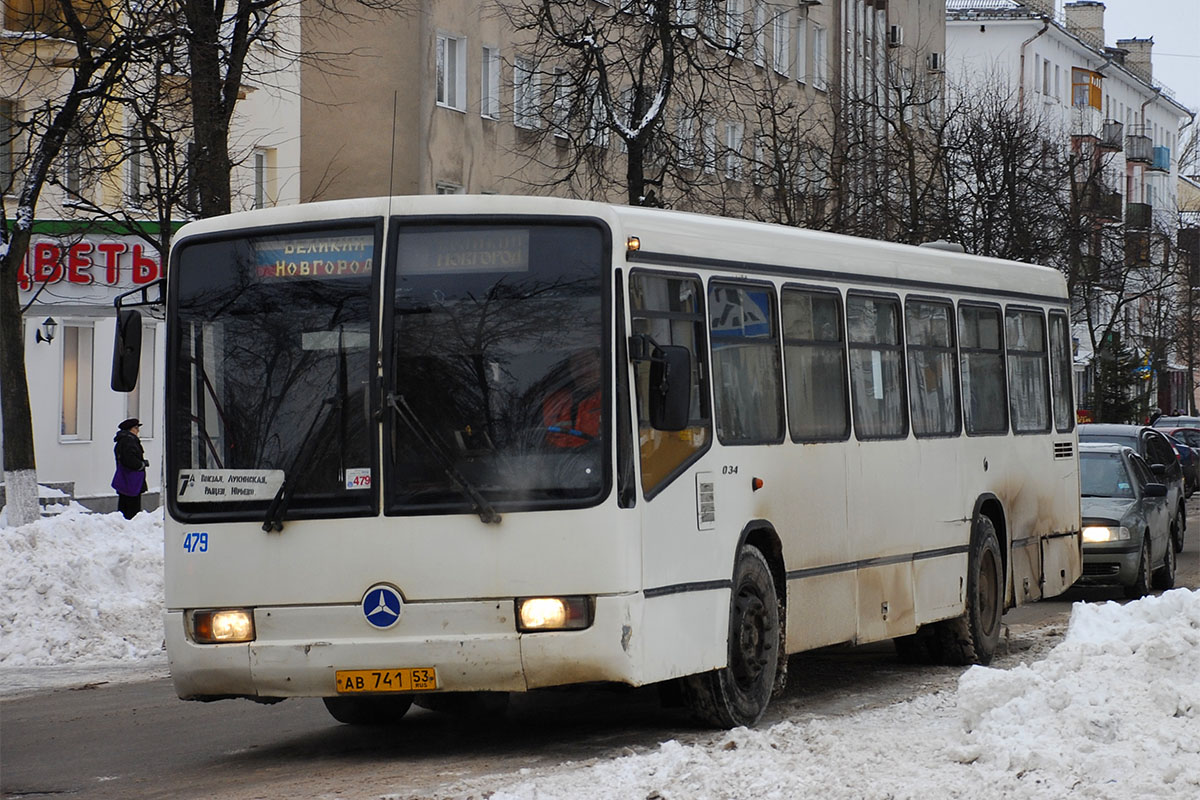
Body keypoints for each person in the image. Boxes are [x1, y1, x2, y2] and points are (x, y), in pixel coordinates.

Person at [543, 349, 602, 448]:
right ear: (570, 369)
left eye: (588, 363)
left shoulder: (616, 398)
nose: (583, 371)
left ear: (599, 364)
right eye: (577, 365)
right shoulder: (555, 401)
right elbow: (538, 439)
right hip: (555, 459)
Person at [112, 418, 148, 520]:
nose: (138, 431)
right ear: (130, 429)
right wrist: (141, 464)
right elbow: (129, 460)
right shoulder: (128, 441)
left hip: (127, 480)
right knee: (132, 508)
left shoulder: (124, 440)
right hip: (131, 480)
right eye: (136, 428)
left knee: (125, 505)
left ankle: (126, 524)